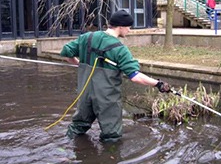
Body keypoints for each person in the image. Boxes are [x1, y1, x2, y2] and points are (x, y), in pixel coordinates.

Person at [60, 9, 170, 142]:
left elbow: (66, 52)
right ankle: (110, 156)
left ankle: (64, 151)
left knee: (77, 127)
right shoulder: (120, 49)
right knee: (111, 136)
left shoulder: (87, 37)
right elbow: (135, 76)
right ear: (121, 26)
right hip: (107, 99)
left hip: (84, 94)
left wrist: (79, 65)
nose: (129, 30)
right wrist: (158, 84)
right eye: (128, 27)